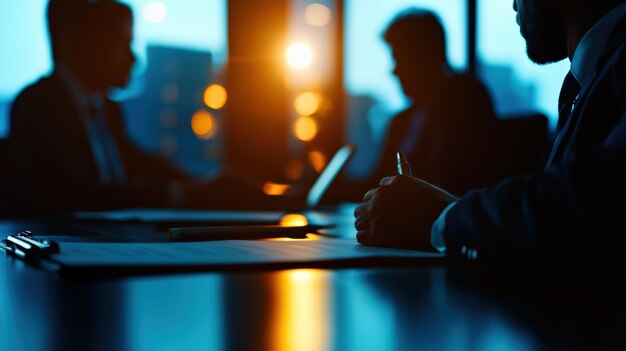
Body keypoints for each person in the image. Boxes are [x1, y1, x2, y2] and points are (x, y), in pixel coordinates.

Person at [355, 0, 626, 272]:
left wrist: (440, 216)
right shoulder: (584, 82)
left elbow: (591, 200)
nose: (513, 4)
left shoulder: (464, 96)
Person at [9, 0, 264, 213]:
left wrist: (203, 185)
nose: (133, 57)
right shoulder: (36, 105)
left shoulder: (106, 110)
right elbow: (71, 193)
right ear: (81, 43)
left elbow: (139, 161)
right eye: (121, 43)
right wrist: (187, 194)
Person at [370, 9, 499, 196]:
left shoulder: (466, 98)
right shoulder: (400, 121)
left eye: (399, 58)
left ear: (423, 54)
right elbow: (375, 182)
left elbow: (458, 175)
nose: (394, 70)